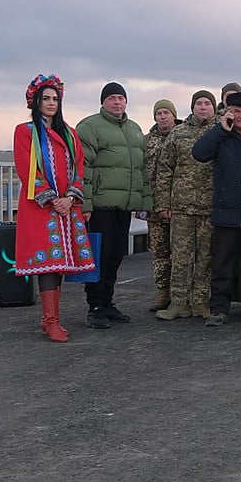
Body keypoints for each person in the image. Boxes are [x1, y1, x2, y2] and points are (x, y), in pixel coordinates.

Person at [13, 75, 95, 342]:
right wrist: (51, 198)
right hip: (40, 208)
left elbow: (79, 166)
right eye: (46, 98)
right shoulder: (25, 132)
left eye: (55, 99)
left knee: (60, 263)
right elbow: (27, 169)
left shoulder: (69, 134)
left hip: (66, 207)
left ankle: (50, 320)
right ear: (35, 101)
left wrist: (70, 197)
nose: (51, 103)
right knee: (48, 263)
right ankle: (51, 321)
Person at [191, 91, 241, 326]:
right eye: (236, 111)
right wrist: (220, 129)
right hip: (226, 211)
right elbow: (199, 153)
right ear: (228, 112)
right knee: (222, 262)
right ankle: (219, 309)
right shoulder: (221, 134)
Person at [77, 82, 153, 329]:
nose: (117, 102)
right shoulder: (89, 127)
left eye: (121, 98)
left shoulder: (134, 130)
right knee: (99, 256)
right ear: (103, 102)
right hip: (100, 206)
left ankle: (108, 302)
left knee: (115, 256)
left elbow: (142, 170)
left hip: (124, 206)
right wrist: (84, 203)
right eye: (112, 98)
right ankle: (95, 307)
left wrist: (144, 201)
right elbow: (82, 168)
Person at [154, 91, 217, 320]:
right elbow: (165, 169)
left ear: (213, 106)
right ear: (192, 107)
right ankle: (178, 302)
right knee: (180, 257)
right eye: (198, 103)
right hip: (181, 207)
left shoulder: (220, 132)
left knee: (206, 257)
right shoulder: (178, 133)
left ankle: (201, 302)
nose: (203, 107)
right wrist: (162, 203)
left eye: (207, 103)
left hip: (210, 208)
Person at [145, 99, 180, 312]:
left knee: (180, 254)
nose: (163, 117)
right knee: (159, 254)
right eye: (159, 113)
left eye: (166, 112)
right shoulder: (146, 141)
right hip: (153, 207)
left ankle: (180, 294)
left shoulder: (182, 137)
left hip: (178, 206)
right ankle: (162, 292)